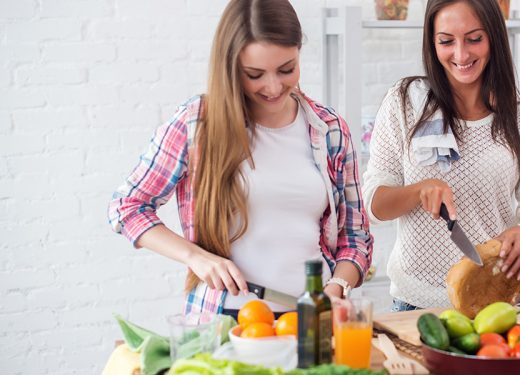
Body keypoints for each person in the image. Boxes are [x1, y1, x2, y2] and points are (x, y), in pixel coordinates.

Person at [108, 0, 372, 318]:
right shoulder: (198, 122)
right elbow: (127, 207)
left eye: (287, 69)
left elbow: (355, 236)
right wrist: (197, 258)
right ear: (231, 66)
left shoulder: (329, 129)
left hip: (311, 319)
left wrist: (335, 289)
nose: (273, 86)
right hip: (225, 318)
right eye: (255, 74)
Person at [363, 0, 520, 312]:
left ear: (494, 37)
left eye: (474, 39)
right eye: (446, 41)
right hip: (416, 304)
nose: (461, 55)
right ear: (432, 42)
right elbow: (374, 203)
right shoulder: (405, 102)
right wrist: (419, 190)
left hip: (499, 299)